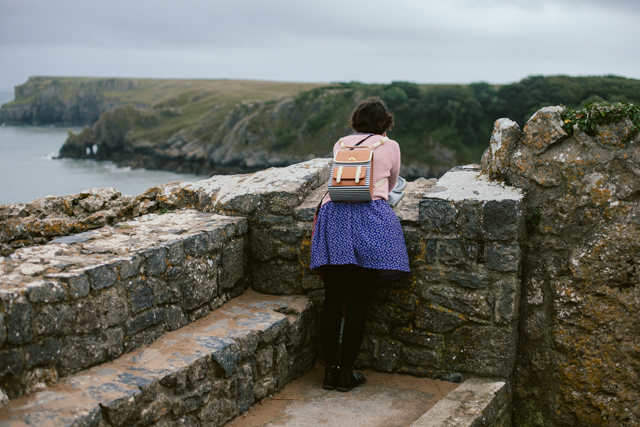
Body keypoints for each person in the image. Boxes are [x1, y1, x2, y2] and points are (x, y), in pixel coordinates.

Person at [310, 97, 410, 392]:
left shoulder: (341, 144)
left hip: (334, 215)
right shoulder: (389, 146)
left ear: (355, 121)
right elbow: (391, 185)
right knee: (357, 301)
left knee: (332, 299)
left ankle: (329, 372)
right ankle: (347, 374)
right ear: (385, 123)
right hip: (369, 219)